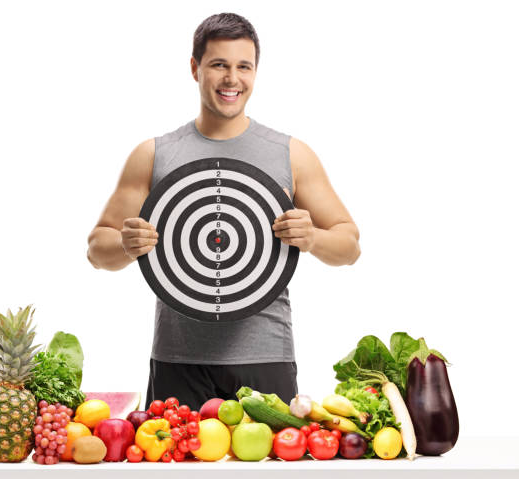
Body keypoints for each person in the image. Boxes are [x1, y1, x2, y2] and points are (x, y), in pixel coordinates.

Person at [87, 13, 360, 411]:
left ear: (255, 72)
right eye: (219, 65)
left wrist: (314, 237)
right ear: (195, 68)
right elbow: (97, 249)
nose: (232, 78)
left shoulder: (291, 154)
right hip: (178, 361)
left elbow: (349, 245)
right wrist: (128, 245)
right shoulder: (154, 154)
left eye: (243, 66)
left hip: (266, 359)